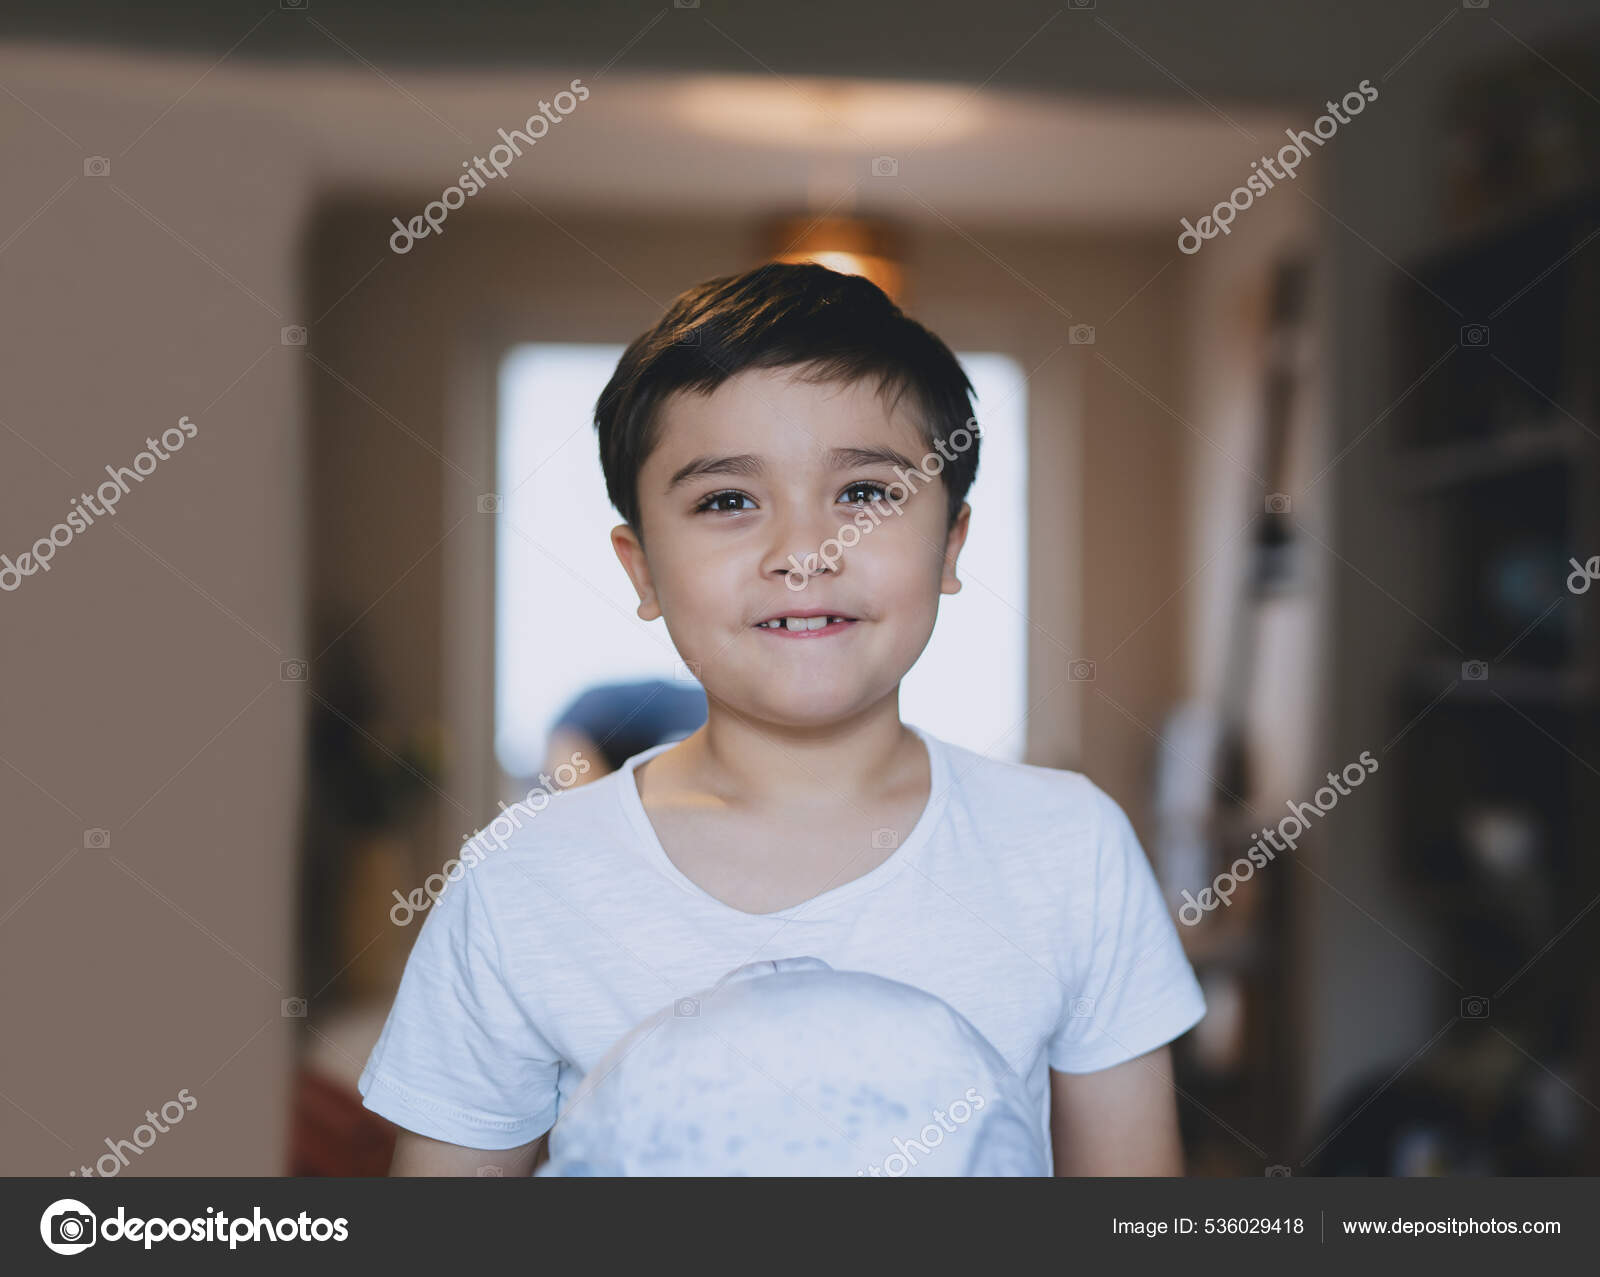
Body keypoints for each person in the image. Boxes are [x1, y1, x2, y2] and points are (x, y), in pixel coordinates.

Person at [358, 261, 1205, 1176]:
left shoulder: (1069, 848)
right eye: (727, 500)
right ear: (641, 569)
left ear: (951, 543)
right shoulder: (520, 887)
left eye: (866, 492)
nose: (805, 550)